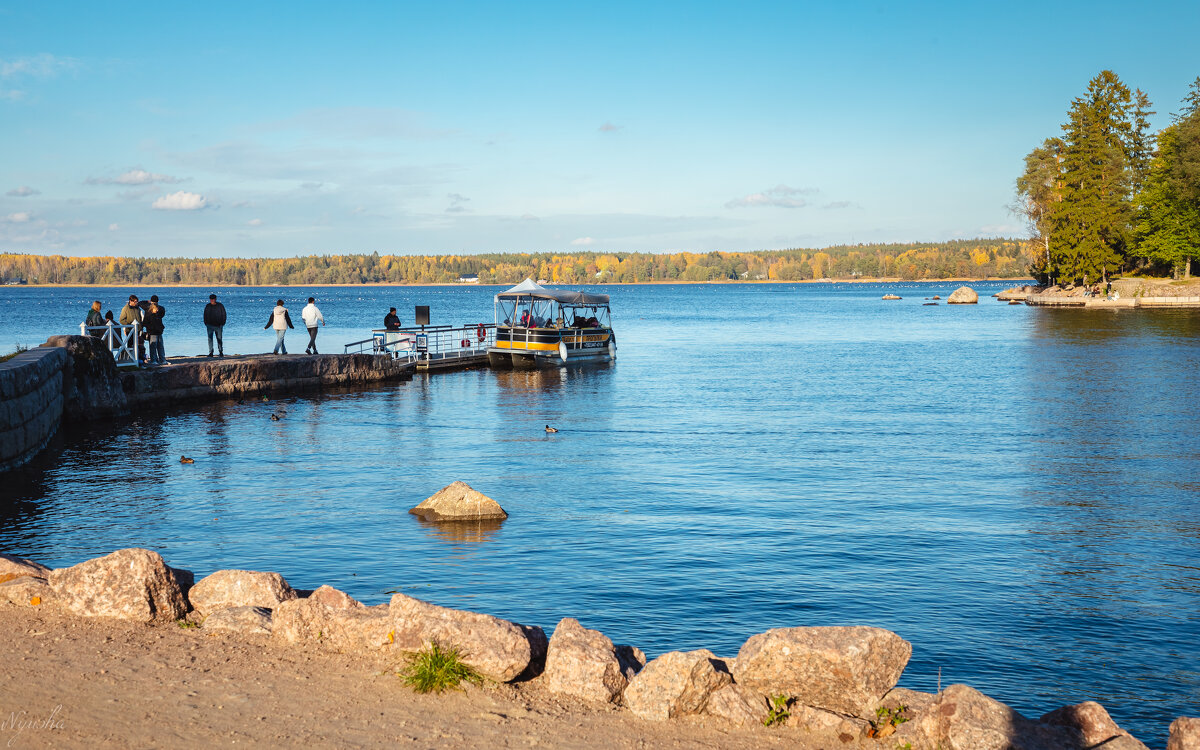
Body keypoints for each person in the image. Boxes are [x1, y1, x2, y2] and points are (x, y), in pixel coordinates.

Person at [119, 294, 146, 363]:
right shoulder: (125, 308)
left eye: (137, 301)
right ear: (131, 301)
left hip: (139, 330)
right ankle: (131, 360)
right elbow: (121, 320)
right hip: (130, 330)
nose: (136, 303)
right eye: (135, 301)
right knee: (131, 346)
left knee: (139, 346)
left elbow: (141, 318)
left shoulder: (138, 308)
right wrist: (128, 326)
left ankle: (139, 360)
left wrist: (142, 326)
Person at [143, 298, 166, 365]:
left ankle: (162, 359)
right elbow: (146, 323)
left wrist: (161, 329)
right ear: (153, 309)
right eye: (156, 309)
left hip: (159, 332)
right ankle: (154, 360)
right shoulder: (149, 315)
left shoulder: (158, 315)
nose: (157, 310)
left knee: (160, 346)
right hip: (152, 332)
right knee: (153, 346)